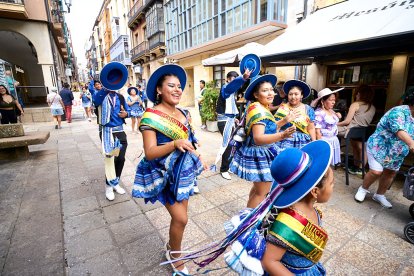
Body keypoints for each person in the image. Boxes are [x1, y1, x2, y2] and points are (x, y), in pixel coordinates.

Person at [131, 64, 207, 275]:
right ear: (159, 90)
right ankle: (175, 255)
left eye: (179, 86)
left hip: (182, 172)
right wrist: (174, 144)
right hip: (161, 173)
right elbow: (150, 152)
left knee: (180, 217)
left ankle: (172, 247)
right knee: (182, 218)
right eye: (171, 86)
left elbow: (189, 141)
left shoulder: (183, 112)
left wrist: (199, 156)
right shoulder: (151, 116)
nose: (177, 90)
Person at [261, 140, 334, 275]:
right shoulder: (288, 223)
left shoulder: (309, 209)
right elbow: (269, 261)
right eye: (332, 183)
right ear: (315, 191)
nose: (333, 187)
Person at [229, 74, 296, 208]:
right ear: (255, 94)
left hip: (263, 153)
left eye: (271, 89)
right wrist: (282, 135)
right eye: (265, 90)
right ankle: (249, 223)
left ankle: (248, 216)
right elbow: (259, 138)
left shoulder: (259, 106)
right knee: (262, 192)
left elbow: (269, 129)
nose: (271, 93)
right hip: (261, 154)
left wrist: (284, 121)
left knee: (257, 189)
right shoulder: (259, 110)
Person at [354, 94, 414, 209]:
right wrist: (411, 143)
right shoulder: (398, 112)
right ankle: (363, 189)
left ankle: (379, 195)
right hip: (379, 146)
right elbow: (399, 131)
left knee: (390, 173)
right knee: (376, 171)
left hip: (397, 151)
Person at [92, 75, 130, 201]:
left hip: (119, 131)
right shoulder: (100, 95)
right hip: (107, 132)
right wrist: (105, 88)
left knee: (121, 159)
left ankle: (116, 182)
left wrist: (126, 114)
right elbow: (96, 101)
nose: (114, 84)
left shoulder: (120, 97)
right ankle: (108, 186)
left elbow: (128, 110)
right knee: (110, 160)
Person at [216, 70, 251, 180]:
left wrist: (234, 118)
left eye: (236, 79)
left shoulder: (232, 93)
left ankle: (228, 165)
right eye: (232, 79)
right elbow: (231, 86)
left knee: (234, 143)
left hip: (230, 120)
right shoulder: (225, 88)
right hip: (223, 121)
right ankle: (224, 169)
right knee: (228, 144)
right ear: (227, 79)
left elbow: (230, 108)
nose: (234, 82)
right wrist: (242, 78)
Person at [337, 85, 376, 176]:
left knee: (330, 130)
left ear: (359, 94)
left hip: (350, 130)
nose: (356, 95)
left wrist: (335, 124)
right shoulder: (372, 107)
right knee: (360, 148)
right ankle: (359, 168)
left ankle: (336, 156)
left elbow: (347, 121)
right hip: (363, 131)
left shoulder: (355, 104)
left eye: (357, 93)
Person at [274, 80, 316, 152]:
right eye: (290, 94)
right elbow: (276, 126)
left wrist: (314, 143)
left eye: (296, 94)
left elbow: (311, 129)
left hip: (302, 142)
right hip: (284, 140)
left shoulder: (308, 109)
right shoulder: (283, 108)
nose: (293, 97)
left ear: (301, 95)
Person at [312, 88, 344, 166]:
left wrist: (338, 116)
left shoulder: (331, 111)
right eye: (330, 100)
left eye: (334, 100)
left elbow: (333, 124)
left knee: (329, 164)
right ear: (323, 101)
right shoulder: (319, 113)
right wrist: (320, 146)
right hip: (325, 141)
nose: (333, 102)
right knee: (323, 163)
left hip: (333, 140)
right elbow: (317, 132)